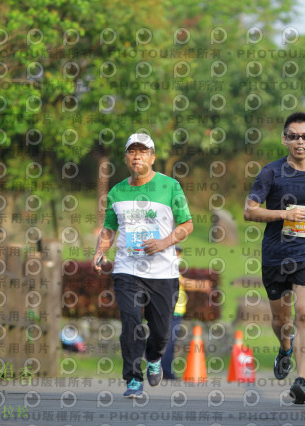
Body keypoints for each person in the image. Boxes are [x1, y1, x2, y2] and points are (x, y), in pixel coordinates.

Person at [243, 112, 305, 404]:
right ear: (285, 139)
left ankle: (301, 381)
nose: (300, 142)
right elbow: (249, 211)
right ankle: (285, 348)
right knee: (281, 319)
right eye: (293, 136)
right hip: (276, 255)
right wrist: (284, 214)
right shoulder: (270, 173)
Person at [93, 133, 193, 398]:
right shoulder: (117, 192)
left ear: (152, 156)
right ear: (126, 157)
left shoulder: (171, 187)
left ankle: (155, 358)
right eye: (132, 151)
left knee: (160, 332)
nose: (137, 156)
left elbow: (187, 225)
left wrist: (164, 242)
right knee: (131, 322)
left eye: (142, 151)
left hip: (163, 271)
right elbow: (109, 230)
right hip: (128, 269)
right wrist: (100, 254)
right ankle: (133, 379)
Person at [161, 245, 188, 380]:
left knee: (170, 343)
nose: (178, 256)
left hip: (176, 312)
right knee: (168, 343)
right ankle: (166, 372)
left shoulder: (173, 268)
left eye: (179, 253)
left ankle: (166, 371)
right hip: (170, 312)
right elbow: (184, 283)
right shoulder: (168, 268)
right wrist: (202, 284)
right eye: (176, 252)